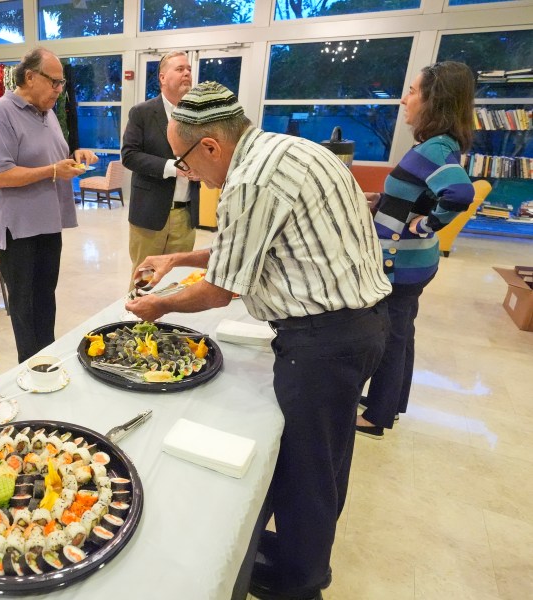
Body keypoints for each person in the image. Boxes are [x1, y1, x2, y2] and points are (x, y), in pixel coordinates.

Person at [125, 81, 391, 600]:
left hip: (323, 339)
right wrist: (177, 258)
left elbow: (222, 290)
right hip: (358, 326)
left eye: (184, 163)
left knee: (308, 468)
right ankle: (298, 557)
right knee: (324, 458)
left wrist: (156, 306)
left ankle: (301, 583)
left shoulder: (249, 179)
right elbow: (247, 242)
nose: (189, 176)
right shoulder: (288, 150)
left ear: (210, 147)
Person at [357, 61, 476, 440]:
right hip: (414, 263)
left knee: (390, 339)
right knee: (401, 335)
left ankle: (376, 416)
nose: (404, 100)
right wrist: (383, 202)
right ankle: (389, 403)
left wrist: (424, 224)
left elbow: (458, 194)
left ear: (433, 99)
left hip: (400, 266)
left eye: (412, 91)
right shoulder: (438, 146)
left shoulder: (435, 149)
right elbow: (419, 195)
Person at [0, 47, 98, 363]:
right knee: (25, 309)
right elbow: (2, 175)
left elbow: (52, 158)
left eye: (62, 84)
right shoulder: (2, 112)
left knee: (45, 302)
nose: (59, 90)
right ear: (30, 77)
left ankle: (46, 363)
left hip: (48, 223)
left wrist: (75, 157)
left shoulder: (47, 113)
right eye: (55, 82)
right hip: (19, 230)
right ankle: (30, 371)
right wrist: (52, 171)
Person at [121, 51, 200, 287]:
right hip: (150, 213)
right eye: (180, 69)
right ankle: (138, 321)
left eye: (188, 69)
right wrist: (172, 167)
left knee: (177, 279)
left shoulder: (197, 114)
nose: (186, 73)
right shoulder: (142, 113)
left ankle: (168, 322)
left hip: (186, 215)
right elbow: (129, 155)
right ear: (163, 78)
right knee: (145, 278)